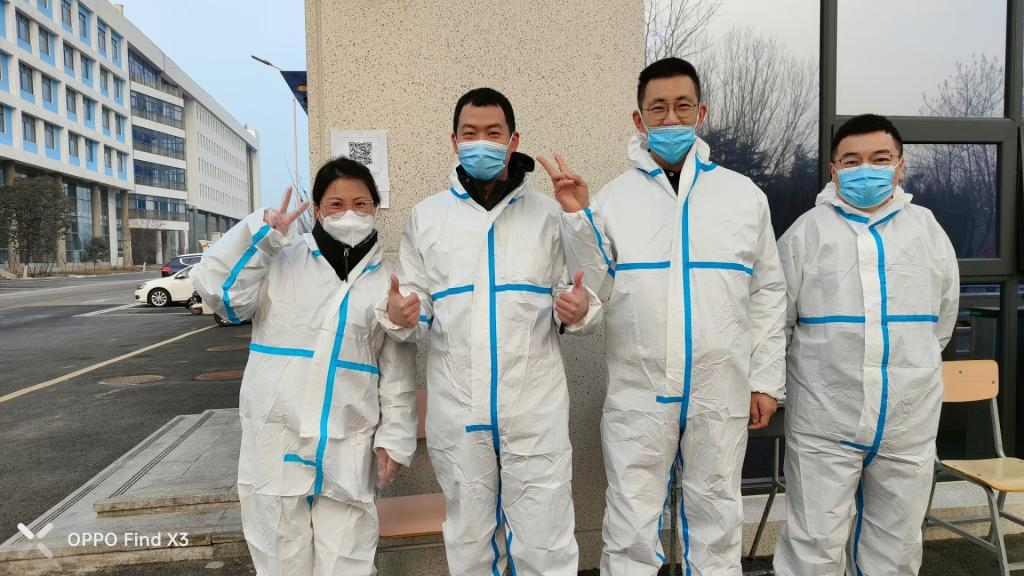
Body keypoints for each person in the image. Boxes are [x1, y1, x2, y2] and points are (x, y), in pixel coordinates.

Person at [543, 57, 787, 576]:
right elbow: (593, 289)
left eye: (682, 106)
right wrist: (578, 219)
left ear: (701, 113)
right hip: (639, 390)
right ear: (639, 119)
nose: (671, 118)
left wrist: (765, 380)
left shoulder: (743, 197)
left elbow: (768, 292)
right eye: (658, 108)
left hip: (720, 388)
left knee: (717, 518)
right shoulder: (612, 199)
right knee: (630, 524)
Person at [375, 87, 600, 576]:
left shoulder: (549, 214)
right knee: (470, 542)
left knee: (545, 543)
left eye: (493, 133)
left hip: (534, 409)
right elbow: (416, 303)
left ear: (513, 140)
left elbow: (587, 292)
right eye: (470, 133)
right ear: (454, 141)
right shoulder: (427, 217)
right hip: (459, 411)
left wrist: (578, 306)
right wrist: (403, 313)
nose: (481, 142)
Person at [192, 157, 417, 576]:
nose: (349, 213)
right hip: (277, 440)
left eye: (360, 204)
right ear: (316, 210)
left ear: (375, 207)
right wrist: (259, 235)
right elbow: (220, 295)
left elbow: (397, 371)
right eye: (336, 205)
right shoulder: (280, 258)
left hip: (348, 443)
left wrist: (396, 437)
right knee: (280, 559)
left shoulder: (387, 281)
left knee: (348, 563)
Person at [773, 114, 960, 576]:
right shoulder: (807, 232)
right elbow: (775, 321)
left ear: (901, 165)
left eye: (880, 159)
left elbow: (941, 320)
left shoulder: (926, 230)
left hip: (907, 418)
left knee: (896, 544)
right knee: (814, 543)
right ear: (834, 171)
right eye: (852, 161)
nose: (866, 170)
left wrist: (909, 371)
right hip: (824, 418)